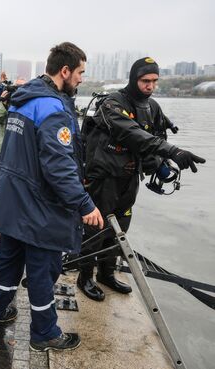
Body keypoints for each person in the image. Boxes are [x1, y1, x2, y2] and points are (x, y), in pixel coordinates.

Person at [0, 42, 103, 352]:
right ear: (65, 71)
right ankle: (45, 334)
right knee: (42, 271)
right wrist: (85, 204)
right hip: (39, 207)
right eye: (80, 73)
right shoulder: (53, 108)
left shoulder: (24, 98)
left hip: (13, 199)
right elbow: (59, 166)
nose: (81, 79)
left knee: (6, 260)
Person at [77, 57, 206, 301]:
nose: (150, 86)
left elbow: (154, 141)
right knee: (96, 226)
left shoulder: (153, 107)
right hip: (103, 178)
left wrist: (162, 165)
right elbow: (132, 133)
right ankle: (85, 278)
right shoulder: (113, 103)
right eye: (145, 80)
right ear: (134, 79)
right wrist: (173, 151)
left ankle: (106, 274)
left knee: (120, 229)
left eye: (155, 81)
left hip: (129, 178)